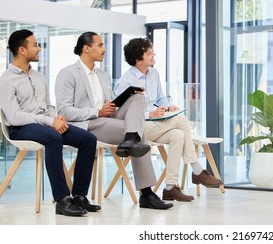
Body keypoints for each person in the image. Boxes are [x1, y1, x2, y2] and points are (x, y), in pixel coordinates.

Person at [55, 32, 173, 210]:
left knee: (138, 98)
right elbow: (64, 110)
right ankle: (146, 194)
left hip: (108, 119)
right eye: (100, 45)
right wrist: (97, 111)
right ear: (86, 48)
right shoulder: (68, 73)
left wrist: (121, 100)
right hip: (88, 124)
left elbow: (112, 104)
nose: (104, 49)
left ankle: (130, 140)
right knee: (137, 133)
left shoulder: (103, 75)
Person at [0, 29, 100, 216]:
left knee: (88, 139)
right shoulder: (6, 80)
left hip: (45, 125)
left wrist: (56, 117)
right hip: (20, 129)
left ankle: (79, 196)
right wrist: (49, 121)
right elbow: (14, 117)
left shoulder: (38, 76)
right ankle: (62, 200)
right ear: (22, 50)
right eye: (35, 45)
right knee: (54, 138)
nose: (39, 48)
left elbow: (48, 105)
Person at [114, 37, 223, 202]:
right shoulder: (125, 82)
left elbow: (160, 99)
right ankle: (197, 169)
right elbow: (118, 112)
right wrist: (148, 114)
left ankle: (170, 187)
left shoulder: (154, 73)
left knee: (179, 135)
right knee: (181, 120)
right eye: (149, 53)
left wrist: (169, 106)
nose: (154, 55)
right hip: (139, 128)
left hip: (157, 124)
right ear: (138, 59)